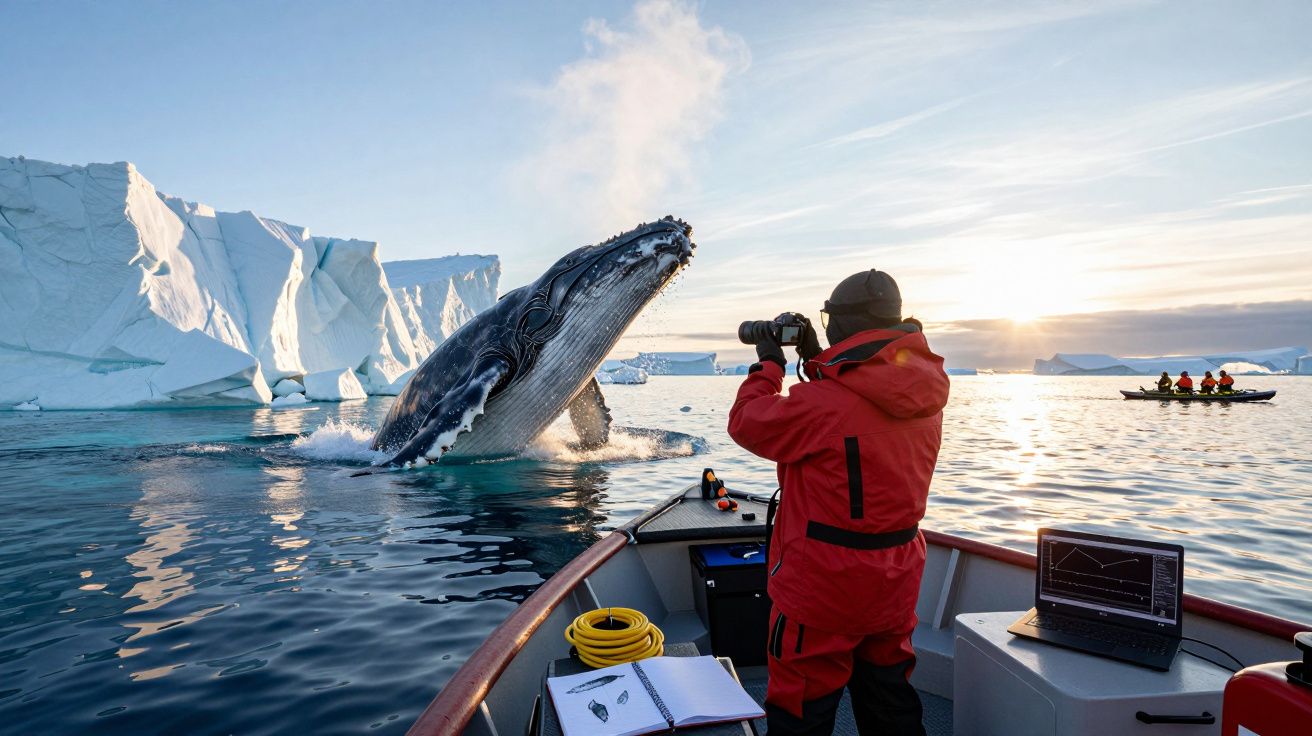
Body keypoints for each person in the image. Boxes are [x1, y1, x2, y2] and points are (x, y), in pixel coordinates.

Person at [728, 269, 949, 736]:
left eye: (830, 319)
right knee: (889, 697)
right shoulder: (925, 393)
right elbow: (856, 390)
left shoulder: (822, 405)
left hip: (825, 587)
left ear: (847, 324)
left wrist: (768, 365)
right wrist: (814, 356)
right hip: (896, 577)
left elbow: (748, 422)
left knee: (802, 707)